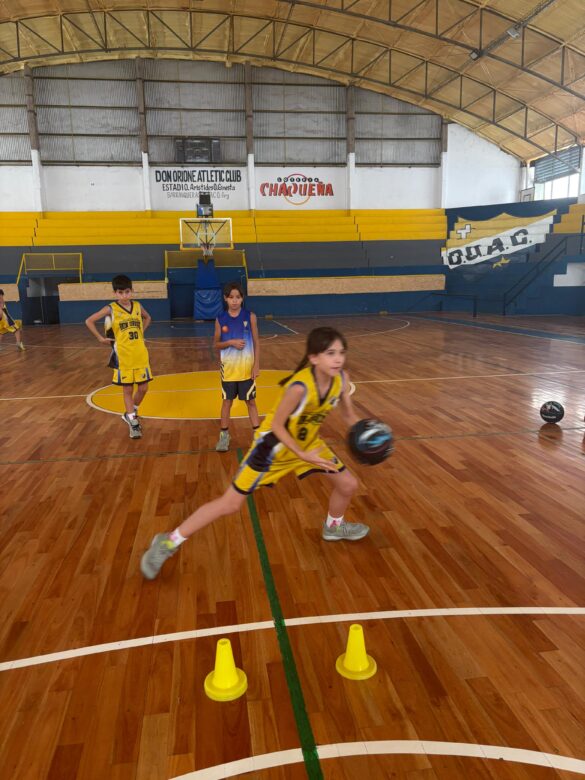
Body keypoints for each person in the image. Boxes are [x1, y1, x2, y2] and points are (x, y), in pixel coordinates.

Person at [141, 326, 369, 580]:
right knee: (230, 504)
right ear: (314, 357)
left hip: (308, 444)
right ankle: (167, 542)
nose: (338, 359)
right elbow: (277, 426)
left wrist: (370, 432)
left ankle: (334, 527)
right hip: (272, 449)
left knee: (347, 484)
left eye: (341, 352)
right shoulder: (299, 388)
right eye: (330, 353)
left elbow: (348, 414)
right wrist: (302, 455)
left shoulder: (341, 380)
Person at [85, 275, 152, 439]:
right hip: (123, 356)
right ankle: (133, 422)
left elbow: (148, 317)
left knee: (143, 388)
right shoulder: (111, 309)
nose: (124, 295)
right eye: (120, 292)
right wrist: (100, 338)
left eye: (127, 292)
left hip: (140, 354)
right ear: (115, 293)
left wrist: (141, 331)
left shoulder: (138, 306)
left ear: (132, 291)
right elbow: (89, 321)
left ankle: (131, 412)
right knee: (128, 390)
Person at [214, 281, 260, 452]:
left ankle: (258, 437)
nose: (234, 300)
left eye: (238, 297)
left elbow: (256, 342)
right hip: (229, 370)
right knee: (227, 402)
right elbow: (216, 344)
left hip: (246, 369)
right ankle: (224, 436)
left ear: (242, 298)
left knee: (251, 402)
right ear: (225, 298)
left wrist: (256, 365)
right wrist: (231, 342)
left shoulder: (250, 317)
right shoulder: (220, 319)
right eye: (231, 297)